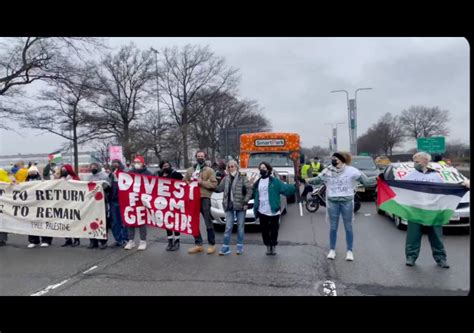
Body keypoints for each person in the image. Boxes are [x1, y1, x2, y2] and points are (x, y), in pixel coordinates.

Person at [402, 152, 469, 268]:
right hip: (415, 211)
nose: (415, 164)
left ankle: (441, 259)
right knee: (413, 236)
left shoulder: (436, 176)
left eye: (417, 161)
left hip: (433, 211)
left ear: (425, 161)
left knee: (436, 237)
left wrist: (462, 185)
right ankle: (411, 257)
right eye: (414, 161)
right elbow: (401, 189)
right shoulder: (410, 176)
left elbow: (445, 189)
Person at [307, 152, 376, 261]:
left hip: (347, 202)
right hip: (333, 202)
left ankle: (349, 251)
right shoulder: (328, 170)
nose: (333, 160)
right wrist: (306, 180)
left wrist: (379, 178)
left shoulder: (352, 170)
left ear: (341, 159)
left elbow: (366, 181)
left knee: (348, 227)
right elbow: (318, 180)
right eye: (332, 158)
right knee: (333, 227)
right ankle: (332, 250)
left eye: (335, 158)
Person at [251, 162, 296, 255]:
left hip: (273, 210)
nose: (262, 170)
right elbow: (252, 194)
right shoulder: (257, 182)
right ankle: (268, 246)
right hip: (262, 210)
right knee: (265, 231)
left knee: (274, 230)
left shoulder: (275, 181)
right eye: (260, 168)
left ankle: (273, 245)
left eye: (264, 168)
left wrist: (295, 186)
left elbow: (285, 188)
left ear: (268, 169)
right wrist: (249, 186)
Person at [215, 160, 253, 256]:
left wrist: (246, 201)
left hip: (240, 205)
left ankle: (239, 247)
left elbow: (249, 190)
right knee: (228, 227)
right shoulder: (226, 178)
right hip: (229, 206)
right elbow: (219, 189)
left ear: (236, 167)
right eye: (229, 167)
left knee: (240, 227)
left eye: (232, 166)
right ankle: (225, 247)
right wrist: (217, 180)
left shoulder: (242, 177)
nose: (231, 168)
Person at [184, 151, 218, 255]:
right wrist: (186, 182)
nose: (200, 158)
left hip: (204, 198)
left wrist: (201, 182)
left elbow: (214, 184)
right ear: (196, 157)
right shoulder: (190, 170)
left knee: (208, 220)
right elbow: (184, 181)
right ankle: (198, 244)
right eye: (198, 156)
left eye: (202, 156)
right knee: (193, 221)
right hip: (192, 198)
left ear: (205, 157)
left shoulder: (209, 170)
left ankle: (212, 244)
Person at [124, 155, 152, 251]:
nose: (136, 164)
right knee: (130, 221)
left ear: (143, 163)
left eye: (138, 162)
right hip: (131, 200)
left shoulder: (148, 173)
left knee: (141, 221)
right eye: (135, 162)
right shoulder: (130, 173)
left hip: (142, 200)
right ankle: (131, 240)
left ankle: (143, 241)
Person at [155, 160, 184, 251]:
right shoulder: (159, 175)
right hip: (164, 202)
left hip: (175, 201)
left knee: (175, 222)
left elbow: (184, 183)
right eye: (164, 166)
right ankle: (170, 241)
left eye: (168, 165)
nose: (166, 167)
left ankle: (177, 241)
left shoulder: (175, 174)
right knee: (167, 222)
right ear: (161, 167)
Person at [25, 166, 54, 248]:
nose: (32, 173)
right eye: (30, 172)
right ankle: (33, 241)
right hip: (31, 206)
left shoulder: (42, 181)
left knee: (43, 223)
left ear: (37, 172)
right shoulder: (25, 182)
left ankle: (46, 240)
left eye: (33, 172)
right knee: (31, 223)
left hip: (42, 205)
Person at [86, 162, 111, 249]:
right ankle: (93, 241)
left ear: (98, 167)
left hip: (101, 202)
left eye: (94, 167)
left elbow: (108, 188)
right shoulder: (89, 177)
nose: (93, 168)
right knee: (91, 221)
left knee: (102, 221)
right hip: (91, 203)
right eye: (91, 167)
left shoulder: (104, 176)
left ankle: (103, 241)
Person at [59, 164, 81, 247]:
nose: (63, 171)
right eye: (62, 170)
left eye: (65, 170)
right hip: (63, 204)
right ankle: (68, 239)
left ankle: (76, 240)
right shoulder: (60, 179)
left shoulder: (75, 178)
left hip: (73, 204)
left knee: (74, 222)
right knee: (64, 222)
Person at [108, 159, 129, 247]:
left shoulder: (125, 174)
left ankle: (125, 239)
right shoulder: (110, 175)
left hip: (123, 200)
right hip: (113, 200)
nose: (114, 166)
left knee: (124, 221)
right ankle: (118, 239)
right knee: (115, 221)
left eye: (116, 164)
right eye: (113, 164)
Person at [0, 168, 12, 246]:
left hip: (2, 200)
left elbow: (8, 182)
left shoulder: (1, 171)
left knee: (2, 219)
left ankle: (2, 239)